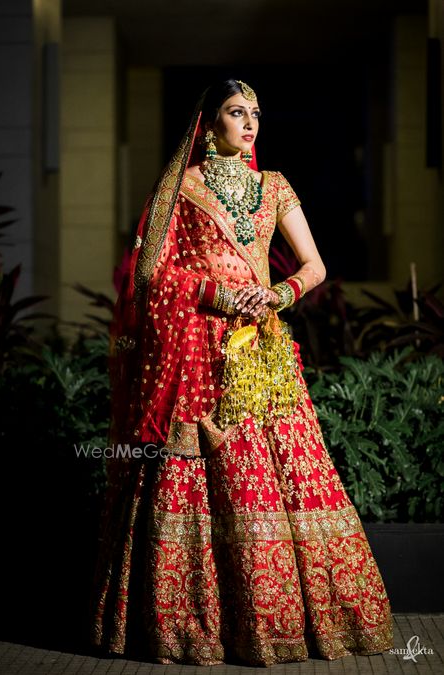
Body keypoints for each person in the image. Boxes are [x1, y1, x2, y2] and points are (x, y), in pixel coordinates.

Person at [90, 78, 394, 667]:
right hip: (196, 355)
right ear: (208, 125)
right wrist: (219, 295)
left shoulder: (273, 186)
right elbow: (150, 277)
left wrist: (278, 295)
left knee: (284, 473)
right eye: (237, 112)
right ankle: (192, 627)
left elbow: (315, 265)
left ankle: (286, 622)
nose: (250, 123)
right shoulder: (181, 188)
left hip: (263, 351)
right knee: (197, 479)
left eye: (256, 113)